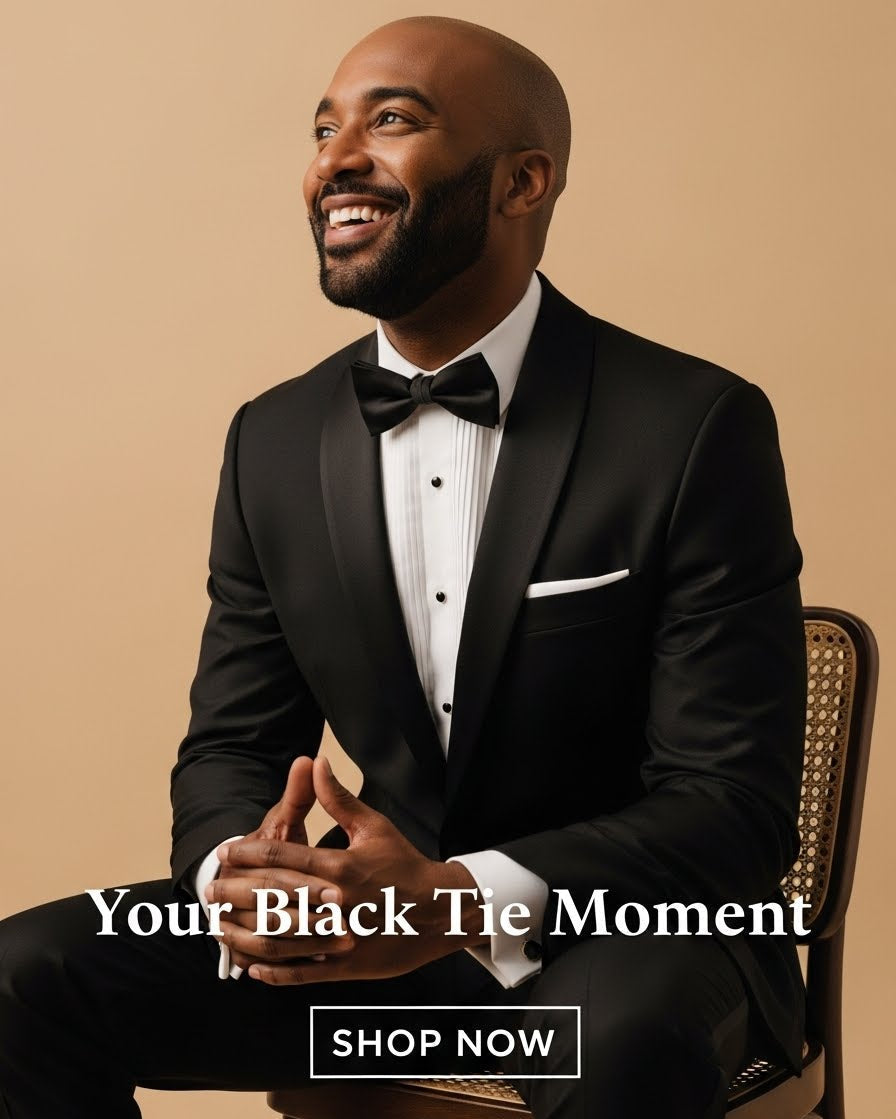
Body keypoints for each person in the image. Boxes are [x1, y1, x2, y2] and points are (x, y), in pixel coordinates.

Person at [0, 15, 808, 1119]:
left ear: (521, 181)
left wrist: (455, 899)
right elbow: (235, 743)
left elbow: (732, 807)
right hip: (367, 958)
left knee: (623, 1048)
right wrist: (243, 874)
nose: (333, 158)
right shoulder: (272, 439)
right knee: (23, 976)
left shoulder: (690, 424)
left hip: (616, 937)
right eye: (324, 127)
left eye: (391, 121)